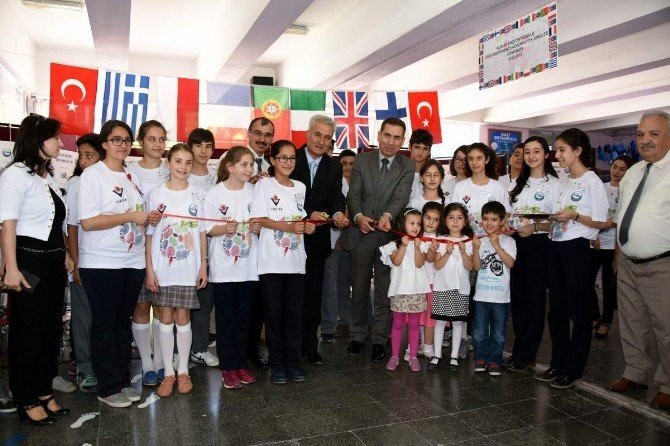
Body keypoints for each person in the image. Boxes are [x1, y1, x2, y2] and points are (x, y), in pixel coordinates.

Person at [78, 119, 159, 408]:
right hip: (102, 262)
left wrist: (148, 218)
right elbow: (88, 222)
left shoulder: (130, 176)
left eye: (126, 140)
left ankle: (122, 380)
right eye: (116, 140)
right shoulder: (93, 175)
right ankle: (107, 386)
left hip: (132, 260)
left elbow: (137, 213)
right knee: (105, 324)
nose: (122, 145)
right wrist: (130, 217)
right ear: (104, 143)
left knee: (123, 323)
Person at [0, 114, 72, 425]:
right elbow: (8, 225)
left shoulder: (47, 177)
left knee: (50, 332)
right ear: (37, 140)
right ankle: (25, 397)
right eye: (55, 137)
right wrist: (11, 268)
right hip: (29, 261)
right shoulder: (16, 174)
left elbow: (56, 223)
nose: (60, 143)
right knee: (28, 333)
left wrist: (65, 255)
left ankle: (44, 391)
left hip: (54, 262)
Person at [607, 111, 670, 412]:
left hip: (662, 264)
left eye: (653, 134)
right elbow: (623, 217)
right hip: (628, 262)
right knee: (631, 322)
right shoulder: (632, 173)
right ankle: (635, 371)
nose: (645, 140)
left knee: (666, 327)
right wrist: (618, 255)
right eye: (641, 134)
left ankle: (668, 384)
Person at [536, 128, 608, 390]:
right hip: (556, 245)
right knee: (557, 310)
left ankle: (573, 368)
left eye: (562, 150)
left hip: (577, 249)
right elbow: (559, 213)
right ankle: (558, 362)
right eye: (556, 149)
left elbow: (600, 221)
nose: (557, 155)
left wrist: (575, 216)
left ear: (578, 151)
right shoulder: (564, 181)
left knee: (579, 311)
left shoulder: (592, 181)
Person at [340, 117, 414, 361]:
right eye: (387, 135)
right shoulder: (362, 160)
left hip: (387, 237)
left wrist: (388, 215)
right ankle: (357, 335)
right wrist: (358, 216)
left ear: (402, 141)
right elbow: (354, 193)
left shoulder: (407, 165)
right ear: (379, 135)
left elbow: (401, 195)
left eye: (397, 137)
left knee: (384, 290)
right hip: (361, 234)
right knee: (359, 288)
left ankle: (380, 339)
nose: (391, 142)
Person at [250, 140, 315, 384]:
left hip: (296, 262)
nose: (288, 162)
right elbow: (259, 219)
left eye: (292, 158)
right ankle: (277, 364)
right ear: (273, 160)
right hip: (271, 262)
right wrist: (288, 227)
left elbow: (300, 219)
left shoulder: (300, 187)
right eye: (282, 158)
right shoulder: (264, 185)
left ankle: (293, 362)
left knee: (294, 316)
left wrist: (307, 227)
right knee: (274, 315)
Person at [144, 144, 207, 397]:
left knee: (183, 317)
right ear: (168, 163)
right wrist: (150, 269)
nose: (183, 167)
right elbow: (149, 235)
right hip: (162, 267)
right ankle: (168, 373)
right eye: (178, 161)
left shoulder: (198, 195)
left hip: (188, 267)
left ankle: (183, 371)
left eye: (188, 162)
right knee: (165, 317)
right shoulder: (155, 194)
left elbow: (201, 232)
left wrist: (203, 265)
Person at [289, 115, 348, 365]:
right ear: (308, 133)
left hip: (317, 242)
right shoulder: (290, 158)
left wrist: (338, 213)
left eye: (327, 137)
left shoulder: (334, 167)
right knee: (291, 297)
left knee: (313, 297)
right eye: (317, 134)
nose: (321, 141)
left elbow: (336, 198)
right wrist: (308, 213)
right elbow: (284, 194)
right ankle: (288, 348)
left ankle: (309, 347)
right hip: (289, 239)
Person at [204, 146, 260, 389]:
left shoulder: (254, 192)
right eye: (244, 164)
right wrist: (223, 228)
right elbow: (208, 228)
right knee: (226, 319)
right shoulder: (215, 193)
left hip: (249, 267)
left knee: (244, 317)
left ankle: (241, 364)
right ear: (230, 167)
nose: (249, 169)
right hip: (224, 268)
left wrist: (257, 227)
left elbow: (260, 222)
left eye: (251, 165)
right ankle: (227, 367)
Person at [506, 136, 559, 372]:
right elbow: (509, 214)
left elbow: (558, 221)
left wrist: (535, 227)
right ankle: (519, 349)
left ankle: (527, 353)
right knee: (518, 299)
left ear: (546, 154)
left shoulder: (556, 184)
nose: (531, 156)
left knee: (535, 300)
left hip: (540, 245)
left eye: (536, 151)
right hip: (517, 244)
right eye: (527, 152)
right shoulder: (518, 183)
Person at [451, 143, 509, 357]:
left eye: (478, 158)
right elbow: (454, 216)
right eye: (470, 158)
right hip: (466, 249)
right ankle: (463, 338)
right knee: (465, 294)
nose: (474, 162)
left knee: (484, 297)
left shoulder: (498, 188)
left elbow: (505, 217)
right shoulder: (460, 187)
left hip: (491, 251)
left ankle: (484, 340)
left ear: (487, 160)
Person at [125, 120, 170, 386]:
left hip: (167, 249)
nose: (157, 144)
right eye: (151, 139)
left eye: (162, 139)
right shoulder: (129, 171)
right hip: (136, 248)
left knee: (163, 307)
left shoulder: (172, 168)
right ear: (141, 141)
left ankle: (163, 361)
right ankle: (147, 363)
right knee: (141, 306)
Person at [66, 133, 105, 393]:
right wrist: (76, 262)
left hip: (107, 263)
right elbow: (71, 227)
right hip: (83, 262)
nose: (83, 160)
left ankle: (102, 364)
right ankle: (85, 367)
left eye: (89, 155)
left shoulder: (112, 180)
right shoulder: (76, 183)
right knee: (84, 318)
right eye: (80, 155)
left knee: (104, 318)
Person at [380, 209, 431, 372]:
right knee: (397, 324)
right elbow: (396, 261)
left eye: (418, 224)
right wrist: (403, 245)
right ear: (403, 224)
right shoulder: (392, 245)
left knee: (414, 325)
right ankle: (394, 356)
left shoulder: (421, 244)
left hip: (416, 291)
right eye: (412, 223)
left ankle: (413, 356)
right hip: (400, 291)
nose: (416, 227)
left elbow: (419, 264)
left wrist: (417, 248)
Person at [186, 128, 220, 369]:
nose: (203, 150)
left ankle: (198, 348)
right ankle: (177, 350)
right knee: (180, 303)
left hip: (211, 248)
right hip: (184, 248)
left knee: (204, 302)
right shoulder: (181, 174)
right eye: (198, 145)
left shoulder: (216, 178)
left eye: (208, 146)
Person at [426, 203, 474, 371]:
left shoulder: (468, 241)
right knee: (440, 321)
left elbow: (470, 267)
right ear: (445, 221)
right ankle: (437, 355)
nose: (455, 221)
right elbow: (437, 266)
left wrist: (463, 252)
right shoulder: (440, 240)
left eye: (459, 218)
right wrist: (447, 252)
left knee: (458, 323)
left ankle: (454, 356)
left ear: (465, 221)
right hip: (442, 287)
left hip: (461, 288)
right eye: (451, 218)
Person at [590, 155, 633, 338]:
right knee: (586, 282)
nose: (617, 171)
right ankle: (594, 315)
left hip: (613, 247)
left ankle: (606, 321)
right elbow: (592, 213)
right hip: (595, 243)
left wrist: (617, 249)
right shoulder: (601, 188)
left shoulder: (629, 192)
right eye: (615, 167)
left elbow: (623, 220)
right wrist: (594, 235)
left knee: (609, 287)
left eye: (622, 169)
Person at [243, 118, 275, 368]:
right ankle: (240, 352)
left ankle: (253, 351)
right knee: (244, 302)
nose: (262, 139)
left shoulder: (273, 166)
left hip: (266, 242)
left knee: (261, 302)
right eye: (257, 133)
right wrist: (249, 183)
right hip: (241, 241)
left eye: (268, 134)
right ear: (248, 133)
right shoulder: (235, 158)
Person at [472, 201, 516, 377]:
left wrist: (497, 245)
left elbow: (510, 263)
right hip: (481, 296)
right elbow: (476, 267)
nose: (489, 223)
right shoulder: (480, 242)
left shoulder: (509, 241)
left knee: (498, 333)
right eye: (485, 219)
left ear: (502, 221)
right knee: (479, 332)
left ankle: (495, 360)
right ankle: (480, 358)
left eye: (494, 219)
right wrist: (476, 249)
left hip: (501, 297)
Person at [320, 149, 356, 342]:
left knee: (346, 284)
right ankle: (328, 326)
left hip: (350, 241)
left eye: (351, 163)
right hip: (332, 240)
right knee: (330, 285)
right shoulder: (333, 181)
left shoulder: (357, 183)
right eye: (344, 163)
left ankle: (345, 322)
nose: (347, 167)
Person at [412, 201, 443, 362]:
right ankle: (415, 344)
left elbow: (431, 260)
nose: (431, 222)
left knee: (430, 317)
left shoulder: (441, 239)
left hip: (433, 282)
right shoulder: (415, 236)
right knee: (416, 316)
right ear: (422, 217)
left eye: (435, 219)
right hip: (417, 282)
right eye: (428, 218)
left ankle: (429, 346)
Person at [407, 129, 433, 203]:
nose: (420, 152)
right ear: (410, 147)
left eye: (425, 148)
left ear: (429, 151)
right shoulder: (398, 172)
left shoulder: (433, 175)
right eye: (417, 147)